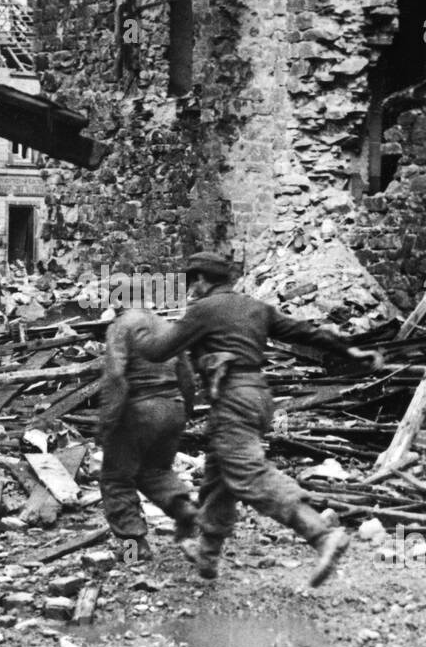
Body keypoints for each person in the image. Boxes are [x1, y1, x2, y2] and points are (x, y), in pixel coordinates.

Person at [134, 252, 383, 587]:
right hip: (258, 397)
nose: (191, 289)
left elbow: (157, 351)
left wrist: (135, 328)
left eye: (192, 281)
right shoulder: (255, 307)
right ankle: (207, 554)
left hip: (233, 399)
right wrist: (350, 351)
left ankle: (321, 534)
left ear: (202, 279)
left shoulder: (203, 310)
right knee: (220, 476)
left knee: (248, 473)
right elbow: (304, 331)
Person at [99, 303, 198, 562]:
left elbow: (116, 377)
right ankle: (183, 508)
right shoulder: (167, 326)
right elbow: (187, 374)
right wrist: (184, 411)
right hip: (172, 407)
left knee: (116, 478)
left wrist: (109, 421)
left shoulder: (121, 327)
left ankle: (134, 548)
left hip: (139, 409)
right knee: (156, 471)